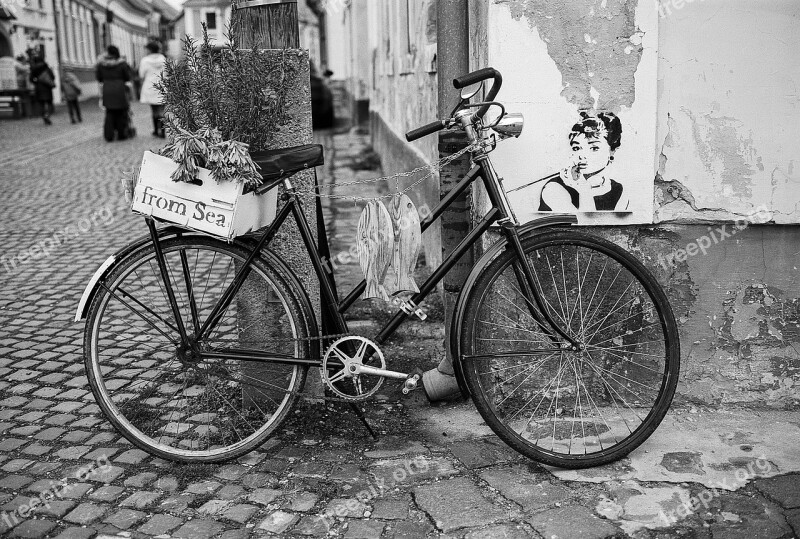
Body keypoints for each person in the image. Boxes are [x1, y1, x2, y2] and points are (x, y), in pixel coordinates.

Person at [538, 111, 629, 212]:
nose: (582, 155)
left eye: (594, 148)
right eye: (577, 148)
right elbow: (583, 225)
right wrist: (582, 188)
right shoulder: (554, 188)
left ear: (612, 151)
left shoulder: (618, 190)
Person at [96, 45, 133, 142]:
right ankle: (122, 134)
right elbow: (127, 77)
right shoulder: (122, 64)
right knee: (121, 112)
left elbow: (99, 77)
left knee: (109, 112)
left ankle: (109, 135)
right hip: (120, 88)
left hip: (107, 88)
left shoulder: (101, 64)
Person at [138, 41, 167, 138]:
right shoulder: (163, 59)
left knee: (154, 110)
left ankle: (156, 130)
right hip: (161, 85)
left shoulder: (145, 61)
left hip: (150, 86)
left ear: (150, 49)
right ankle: (163, 131)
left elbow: (141, 74)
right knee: (162, 110)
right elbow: (167, 73)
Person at [29, 55, 55, 125]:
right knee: (49, 102)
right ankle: (48, 115)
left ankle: (44, 116)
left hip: (39, 88)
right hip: (47, 87)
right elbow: (52, 76)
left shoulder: (34, 69)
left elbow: (31, 79)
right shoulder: (46, 67)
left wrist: (36, 82)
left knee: (41, 104)